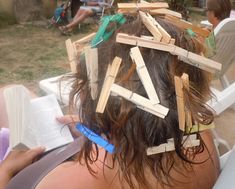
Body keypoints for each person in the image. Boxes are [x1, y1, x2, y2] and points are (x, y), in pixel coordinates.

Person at [3, 15, 220, 189]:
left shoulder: (72, 181)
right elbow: (142, 140)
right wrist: (96, 134)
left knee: (10, 93)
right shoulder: (201, 138)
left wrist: (6, 173)